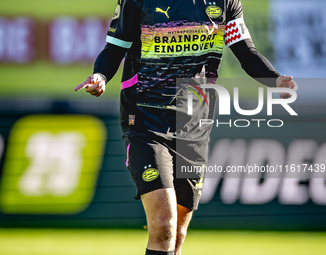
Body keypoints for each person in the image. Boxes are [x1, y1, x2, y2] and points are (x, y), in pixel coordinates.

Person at [74, 0, 298, 254]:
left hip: (194, 124)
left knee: (178, 233)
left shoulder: (225, 2)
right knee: (163, 224)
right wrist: (100, 75)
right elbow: (115, 48)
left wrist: (275, 79)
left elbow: (246, 52)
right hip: (146, 119)